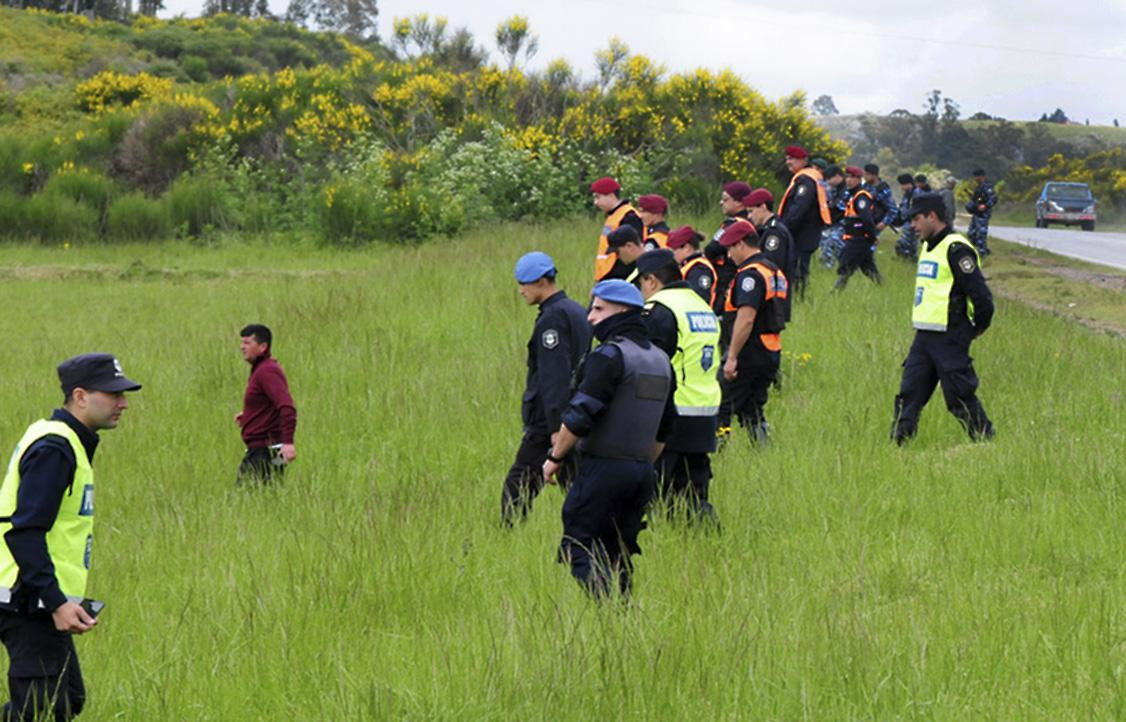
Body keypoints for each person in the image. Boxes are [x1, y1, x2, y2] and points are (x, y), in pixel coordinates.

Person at [0, 353, 142, 721]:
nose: (123, 403)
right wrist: (56, 600)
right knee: (44, 708)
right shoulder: (55, 448)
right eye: (113, 394)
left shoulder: (63, 440)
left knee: (67, 699)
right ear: (80, 396)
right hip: (26, 600)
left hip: (38, 598)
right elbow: (25, 531)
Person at [542, 280, 676, 599]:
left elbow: (579, 414)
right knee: (620, 551)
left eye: (599, 309)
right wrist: (640, 462)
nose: (590, 317)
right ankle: (621, 615)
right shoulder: (661, 361)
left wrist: (555, 458)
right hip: (643, 472)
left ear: (623, 311)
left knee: (579, 541)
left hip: (603, 468)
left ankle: (602, 611)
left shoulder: (609, 355)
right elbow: (665, 429)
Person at [891, 192, 995, 444]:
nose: (912, 226)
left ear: (932, 216)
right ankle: (899, 447)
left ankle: (986, 443)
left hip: (950, 336)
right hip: (924, 337)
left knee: (959, 396)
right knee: (909, 395)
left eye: (916, 220)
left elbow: (982, 299)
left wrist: (971, 331)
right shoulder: (927, 246)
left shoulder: (956, 249)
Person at [502, 252, 592, 525]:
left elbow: (555, 378)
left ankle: (508, 536)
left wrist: (556, 428)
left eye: (524, 284)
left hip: (549, 422)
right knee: (577, 484)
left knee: (518, 484)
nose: (521, 291)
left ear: (542, 281)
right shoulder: (577, 311)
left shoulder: (552, 319)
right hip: (578, 414)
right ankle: (590, 532)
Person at [636, 250, 721, 522]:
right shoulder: (700, 305)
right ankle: (707, 540)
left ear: (651, 280)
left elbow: (651, 366)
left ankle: (657, 544)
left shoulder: (659, 309)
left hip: (671, 414)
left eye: (641, 284)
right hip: (704, 413)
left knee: (656, 492)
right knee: (694, 493)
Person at [718, 220, 788, 445]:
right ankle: (763, 449)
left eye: (730, 248)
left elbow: (746, 319)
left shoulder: (750, 275)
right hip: (770, 349)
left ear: (740, 245)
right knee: (752, 407)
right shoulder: (774, 271)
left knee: (721, 402)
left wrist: (732, 357)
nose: (729, 256)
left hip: (749, 350)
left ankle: (716, 451)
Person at [236, 324, 297, 485]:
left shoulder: (267, 372)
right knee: (269, 495)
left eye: (248, 343)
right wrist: (248, 416)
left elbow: (287, 407)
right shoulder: (260, 370)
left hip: (265, 452)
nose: (242, 347)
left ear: (263, 347)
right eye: (242, 343)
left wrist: (288, 443)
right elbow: (269, 406)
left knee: (246, 498)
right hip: (265, 450)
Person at [777, 145, 831, 299]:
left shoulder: (807, 180)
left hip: (803, 234)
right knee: (795, 267)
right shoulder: (805, 177)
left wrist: (783, 227)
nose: (788, 162)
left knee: (799, 269)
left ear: (803, 160)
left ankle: (798, 298)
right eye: (787, 158)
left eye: (792, 159)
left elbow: (799, 208)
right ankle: (795, 296)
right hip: (802, 233)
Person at [744, 188, 795, 322]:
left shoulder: (774, 232)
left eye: (751, 211)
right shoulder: (766, 230)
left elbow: (770, 265)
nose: (749, 217)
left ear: (763, 206)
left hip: (772, 300)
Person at [704, 181, 752, 317]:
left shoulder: (732, 224)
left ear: (739, 202)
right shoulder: (752, 222)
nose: (721, 203)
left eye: (725, 199)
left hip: (725, 277)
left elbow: (712, 249)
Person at [834, 166, 883, 289]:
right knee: (868, 267)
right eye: (847, 177)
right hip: (856, 238)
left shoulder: (861, 197)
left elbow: (867, 219)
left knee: (845, 266)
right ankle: (883, 286)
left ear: (859, 179)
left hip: (858, 239)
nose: (848, 180)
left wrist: (872, 237)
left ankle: (835, 292)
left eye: (852, 177)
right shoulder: (852, 195)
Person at [591, 176, 644, 281]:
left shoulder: (629, 216)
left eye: (598, 197)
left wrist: (615, 278)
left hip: (619, 277)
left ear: (611, 196)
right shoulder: (613, 215)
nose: (595, 203)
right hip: (607, 276)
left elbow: (631, 252)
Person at [667, 225, 718, 306]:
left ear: (687, 248)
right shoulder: (687, 266)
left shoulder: (699, 269)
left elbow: (698, 300)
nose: (672, 254)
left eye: (674, 250)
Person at [820, 165, 847, 268]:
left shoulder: (846, 189)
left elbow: (839, 207)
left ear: (837, 176)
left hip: (844, 223)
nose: (828, 182)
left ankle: (828, 266)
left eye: (829, 179)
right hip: (833, 222)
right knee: (825, 243)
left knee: (832, 243)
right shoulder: (835, 188)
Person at [965, 169, 997, 257]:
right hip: (976, 213)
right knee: (971, 233)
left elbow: (993, 198)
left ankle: (982, 253)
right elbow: (976, 198)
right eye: (975, 176)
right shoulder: (979, 187)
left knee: (981, 234)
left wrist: (985, 206)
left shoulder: (987, 186)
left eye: (977, 176)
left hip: (983, 214)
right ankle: (982, 249)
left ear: (982, 176)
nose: (975, 178)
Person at [862, 163, 898, 234]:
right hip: (864, 221)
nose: (865, 176)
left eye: (867, 174)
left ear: (874, 175)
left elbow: (893, 209)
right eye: (864, 174)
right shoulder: (865, 186)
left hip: (875, 222)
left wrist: (884, 223)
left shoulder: (883, 189)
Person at [893, 173, 919, 259]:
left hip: (912, 223)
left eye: (902, 185)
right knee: (903, 244)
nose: (901, 187)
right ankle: (904, 259)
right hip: (906, 222)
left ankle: (911, 259)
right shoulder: (907, 194)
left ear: (908, 183)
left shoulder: (916, 193)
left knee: (909, 244)